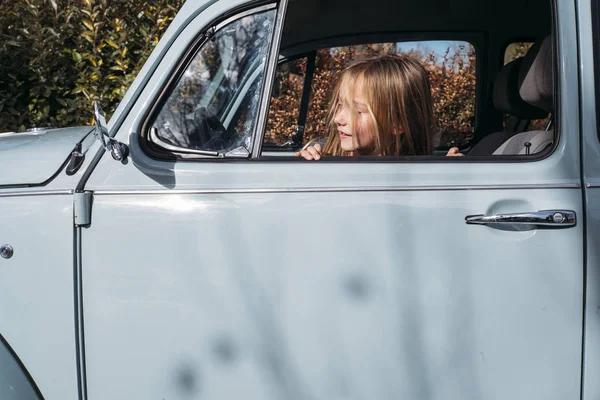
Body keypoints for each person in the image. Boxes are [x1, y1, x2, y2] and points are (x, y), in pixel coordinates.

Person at [294, 54, 463, 159]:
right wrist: (307, 166)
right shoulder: (327, 156)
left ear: (397, 124)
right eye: (340, 105)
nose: (337, 118)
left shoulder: (423, 174)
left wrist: (449, 174)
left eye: (357, 111)